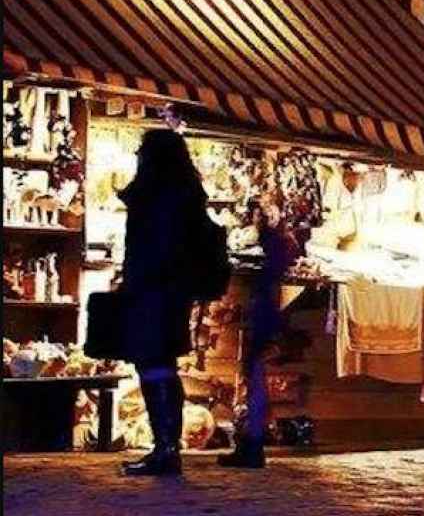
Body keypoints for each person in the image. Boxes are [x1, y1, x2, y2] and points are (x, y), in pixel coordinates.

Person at [116, 129, 209, 476]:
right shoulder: (186, 195)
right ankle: (167, 446)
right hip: (172, 292)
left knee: (153, 365)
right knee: (162, 366)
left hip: (152, 290)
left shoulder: (156, 196)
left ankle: (166, 448)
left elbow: (152, 247)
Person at [220, 201, 298, 469]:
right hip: (268, 312)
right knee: (255, 377)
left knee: (254, 376)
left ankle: (253, 443)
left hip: (264, 314)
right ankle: (252, 441)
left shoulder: (273, 246)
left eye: (257, 216)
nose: (255, 220)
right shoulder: (280, 245)